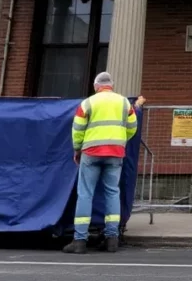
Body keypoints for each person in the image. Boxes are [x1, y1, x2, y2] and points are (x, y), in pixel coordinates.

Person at [63, 72, 146, 254]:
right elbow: (133, 126)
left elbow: (77, 128)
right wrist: (120, 141)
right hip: (115, 153)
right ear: (111, 86)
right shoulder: (124, 103)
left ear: (96, 86)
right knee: (112, 193)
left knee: (85, 194)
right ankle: (112, 239)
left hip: (91, 152)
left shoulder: (88, 103)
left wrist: (77, 149)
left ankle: (80, 240)